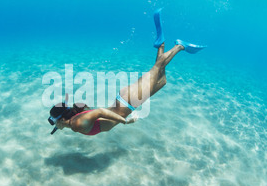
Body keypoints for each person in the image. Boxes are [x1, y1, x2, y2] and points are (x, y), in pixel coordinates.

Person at [47, 9, 206, 136]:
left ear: (60, 119)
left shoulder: (77, 123)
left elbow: (100, 112)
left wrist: (125, 121)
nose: (56, 126)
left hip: (128, 101)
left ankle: (180, 46)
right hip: (127, 101)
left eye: (54, 122)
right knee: (161, 80)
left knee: (157, 68)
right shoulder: (75, 121)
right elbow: (90, 110)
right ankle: (161, 43)